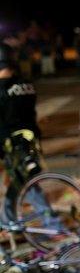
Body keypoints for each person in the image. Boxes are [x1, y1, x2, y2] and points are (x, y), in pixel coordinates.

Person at [0, 42, 44, 223]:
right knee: (20, 181)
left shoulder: (2, 89)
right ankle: (6, 220)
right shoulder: (26, 84)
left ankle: (53, 223)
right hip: (30, 139)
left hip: (10, 143)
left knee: (26, 184)